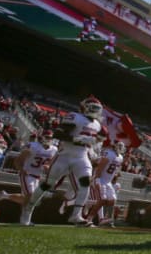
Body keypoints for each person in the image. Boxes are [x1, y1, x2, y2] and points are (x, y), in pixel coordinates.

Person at [21, 96, 103, 226]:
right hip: (65, 155)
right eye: (93, 108)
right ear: (85, 107)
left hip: (81, 156)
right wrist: (77, 139)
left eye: (97, 109)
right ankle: (28, 209)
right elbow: (58, 134)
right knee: (48, 184)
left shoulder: (97, 125)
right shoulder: (74, 116)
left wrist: (93, 146)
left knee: (85, 183)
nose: (95, 111)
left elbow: (91, 141)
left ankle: (76, 215)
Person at [0, 130, 57, 210]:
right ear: (42, 137)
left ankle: (5, 195)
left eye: (50, 137)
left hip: (38, 176)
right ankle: (24, 219)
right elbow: (17, 160)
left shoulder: (54, 149)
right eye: (47, 137)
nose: (49, 139)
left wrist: (47, 167)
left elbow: (49, 163)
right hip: (27, 174)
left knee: (32, 200)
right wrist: (21, 170)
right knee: (30, 196)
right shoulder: (33, 146)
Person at [85, 141, 126, 226]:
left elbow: (114, 169)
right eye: (119, 145)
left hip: (108, 182)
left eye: (122, 146)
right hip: (101, 179)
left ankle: (102, 217)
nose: (121, 148)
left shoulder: (120, 157)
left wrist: (116, 174)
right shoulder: (109, 153)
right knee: (101, 200)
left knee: (112, 200)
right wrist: (97, 180)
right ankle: (89, 219)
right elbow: (100, 167)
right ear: (114, 146)